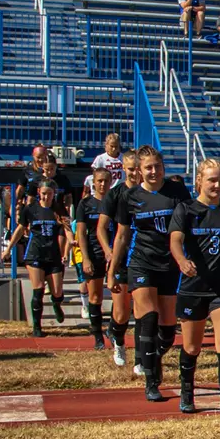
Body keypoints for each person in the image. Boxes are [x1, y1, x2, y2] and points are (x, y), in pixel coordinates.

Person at [108, 145, 192, 402]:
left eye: (157, 166)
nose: (153, 171)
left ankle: (152, 356)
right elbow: (122, 235)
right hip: (141, 262)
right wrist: (112, 271)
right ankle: (151, 381)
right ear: (140, 171)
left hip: (170, 264)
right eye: (148, 167)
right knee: (148, 317)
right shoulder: (129, 196)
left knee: (167, 330)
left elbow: (190, 223)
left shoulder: (177, 191)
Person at [170, 158, 220, 419]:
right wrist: (182, 261)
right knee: (192, 347)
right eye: (212, 180)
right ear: (200, 181)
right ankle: (187, 393)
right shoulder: (186, 209)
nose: (217, 185)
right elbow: (175, 241)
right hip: (193, 287)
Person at [1, 179, 71, 337]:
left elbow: (67, 230)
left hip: (53, 255)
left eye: (50, 194)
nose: (46, 197)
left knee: (58, 291)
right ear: (39, 193)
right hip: (35, 253)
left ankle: (56, 302)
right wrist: (8, 249)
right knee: (38, 289)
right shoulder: (30, 209)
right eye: (44, 194)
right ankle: (37, 328)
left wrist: (69, 245)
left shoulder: (59, 210)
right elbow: (20, 229)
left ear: (54, 194)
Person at [98, 149, 142, 369]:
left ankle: (144, 356)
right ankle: (119, 342)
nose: (135, 174)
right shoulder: (115, 195)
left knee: (143, 309)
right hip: (121, 256)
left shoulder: (148, 194)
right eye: (130, 169)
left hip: (143, 257)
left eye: (137, 169)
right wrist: (108, 251)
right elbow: (102, 228)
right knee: (122, 311)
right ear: (123, 169)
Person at [77, 166, 113, 351]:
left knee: (120, 294)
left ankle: (113, 329)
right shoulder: (85, 204)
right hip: (94, 254)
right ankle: (97, 335)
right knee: (96, 296)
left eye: (106, 181)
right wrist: (85, 258)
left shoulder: (114, 202)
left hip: (114, 254)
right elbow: (81, 233)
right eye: (99, 181)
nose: (102, 184)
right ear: (93, 182)